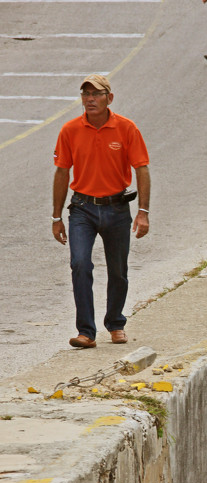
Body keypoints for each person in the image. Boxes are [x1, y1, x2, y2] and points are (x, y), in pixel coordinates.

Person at [51, 74, 150, 349]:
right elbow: (62, 172)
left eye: (96, 94)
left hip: (117, 209)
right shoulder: (70, 130)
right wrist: (56, 216)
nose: (90, 99)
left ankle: (116, 323)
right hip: (82, 209)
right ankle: (86, 332)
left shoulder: (127, 129)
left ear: (110, 98)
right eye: (85, 94)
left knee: (118, 270)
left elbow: (142, 168)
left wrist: (143, 211)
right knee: (80, 263)